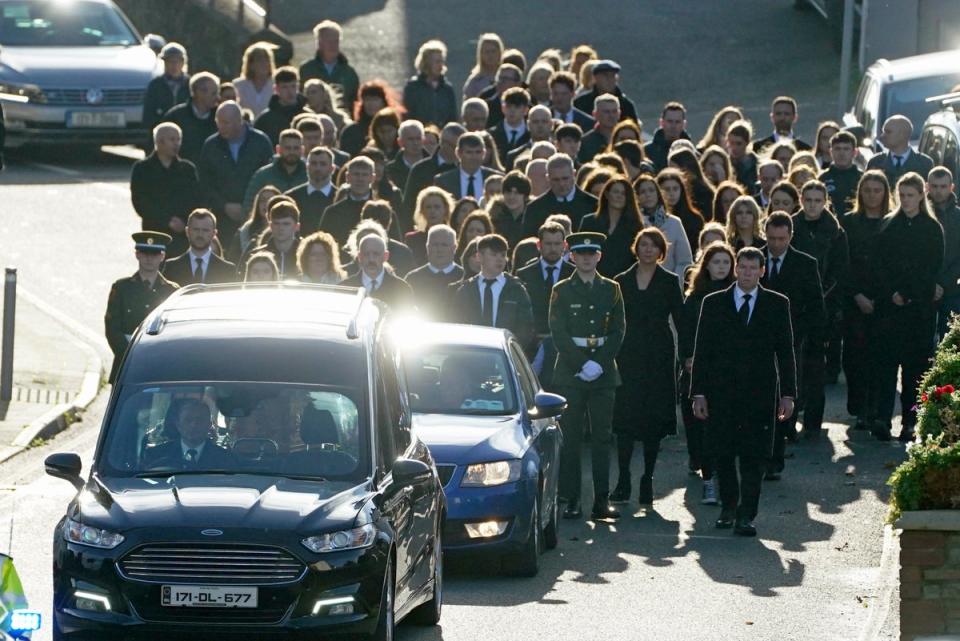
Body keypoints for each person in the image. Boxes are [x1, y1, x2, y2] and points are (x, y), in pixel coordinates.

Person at [691, 247, 796, 537]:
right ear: (736, 269)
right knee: (723, 452)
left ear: (762, 271)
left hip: (760, 392)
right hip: (720, 391)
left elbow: (785, 352)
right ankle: (728, 506)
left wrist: (788, 394)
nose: (747, 273)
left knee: (754, 455)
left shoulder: (777, 303)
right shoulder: (714, 303)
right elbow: (702, 351)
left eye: (753, 268)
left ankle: (746, 514)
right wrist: (697, 393)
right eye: (743, 267)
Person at [550, 231, 626, 520]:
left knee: (602, 438)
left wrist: (600, 363)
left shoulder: (612, 288)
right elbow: (558, 331)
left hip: (604, 372)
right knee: (570, 438)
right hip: (571, 371)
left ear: (599, 256)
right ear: (572, 256)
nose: (585, 258)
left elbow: (619, 330)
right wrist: (582, 363)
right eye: (580, 254)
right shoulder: (561, 289)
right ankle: (571, 498)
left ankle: (601, 500)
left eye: (590, 254)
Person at [610, 228, 683, 506]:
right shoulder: (621, 280)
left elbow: (680, 318)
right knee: (625, 419)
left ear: (661, 249)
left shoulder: (669, 280)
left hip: (659, 355)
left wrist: (686, 355)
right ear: (636, 248)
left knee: (653, 421)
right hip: (627, 354)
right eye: (643, 244)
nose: (648, 249)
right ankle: (624, 478)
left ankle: (648, 478)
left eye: (654, 245)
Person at [873, 172, 945, 442]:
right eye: (901, 195)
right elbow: (880, 266)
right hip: (891, 309)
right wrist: (891, 293)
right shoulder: (888, 226)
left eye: (910, 195)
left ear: (921, 195)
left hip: (918, 309)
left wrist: (911, 294)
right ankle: (882, 417)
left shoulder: (931, 228)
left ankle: (911, 420)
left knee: (915, 370)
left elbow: (931, 267)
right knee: (886, 366)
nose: (905, 200)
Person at [760, 212, 826, 476]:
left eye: (782, 239)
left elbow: (815, 305)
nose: (776, 244)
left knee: (785, 391)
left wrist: (809, 337)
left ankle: (780, 446)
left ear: (790, 236)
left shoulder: (805, 263)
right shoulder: (753, 259)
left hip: (792, 338)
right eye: (772, 238)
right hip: (757, 340)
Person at [679, 241, 735, 503]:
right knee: (699, 430)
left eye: (726, 262)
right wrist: (688, 358)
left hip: (730, 373)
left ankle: (723, 482)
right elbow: (686, 332)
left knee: (724, 429)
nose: (721, 267)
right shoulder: (695, 297)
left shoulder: (738, 293)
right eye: (716, 262)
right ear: (706, 265)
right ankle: (707, 478)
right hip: (699, 372)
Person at [840, 170, 891, 429]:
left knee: (879, 355)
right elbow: (843, 262)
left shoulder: (892, 222)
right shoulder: (849, 222)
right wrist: (856, 294)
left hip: (884, 299)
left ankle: (874, 408)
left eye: (877, 190)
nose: (872, 195)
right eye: (868, 190)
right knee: (854, 355)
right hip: (855, 298)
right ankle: (858, 405)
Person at [793, 179, 850, 392]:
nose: (812, 205)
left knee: (816, 362)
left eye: (818, 200)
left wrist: (822, 292)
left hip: (825, 301)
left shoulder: (836, 232)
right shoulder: (791, 228)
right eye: (808, 200)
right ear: (801, 200)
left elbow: (839, 269)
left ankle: (813, 418)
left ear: (825, 202)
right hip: (794, 300)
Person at [104, 232, 180, 382]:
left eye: (154, 254)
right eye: (144, 253)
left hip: (159, 366)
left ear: (162, 256)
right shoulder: (121, 288)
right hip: (126, 366)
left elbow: (175, 331)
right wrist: (129, 355)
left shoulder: (172, 291)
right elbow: (112, 328)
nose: (149, 258)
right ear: (137, 254)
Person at [197, 101, 274, 245]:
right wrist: (224, 205)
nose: (221, 127)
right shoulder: (211, 145)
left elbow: (268, 179)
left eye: (226, 122)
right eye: (218, 122)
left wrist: (248, 206)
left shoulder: (260, 142)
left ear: (240, 121)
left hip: (256, 217)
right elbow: (205, 183)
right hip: (222, 218)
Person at [450, 233, 535, 349]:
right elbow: (456, 323)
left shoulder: (516, 289)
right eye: (494, 254)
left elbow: (526, 327)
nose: (499, 259)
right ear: (479, 256)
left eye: (503, 255)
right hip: (471, 353)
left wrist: (511, 349)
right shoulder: (467, 290)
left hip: (504, 355)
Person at [130, 123, 201, 256]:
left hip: (181, 234)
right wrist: (166, 220)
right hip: (154, 231)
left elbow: (195, 198)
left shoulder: (187, 169)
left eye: (178, 139)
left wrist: (184, 222)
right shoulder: (142, 169)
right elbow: (140, 201)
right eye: (172, 140)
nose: (176, 144)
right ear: (159, 141)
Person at [516, 221, 573, 384]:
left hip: (564, 348)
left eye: (557, 244)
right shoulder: (523, 274)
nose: (553, 248)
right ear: (539, 245)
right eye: (548, 244)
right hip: (531, 346)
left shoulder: (574, 273)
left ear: (565, 245)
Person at [578, 175, 644, 277]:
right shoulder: (589, 221)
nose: (619, 196)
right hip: (593, 280)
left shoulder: (635, 225)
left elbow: (637, 258)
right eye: (616, 192)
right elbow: (580, 252)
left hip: (624, 282)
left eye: (623, 193)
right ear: (607, 194)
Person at [142, 399, 234, 469]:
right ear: (178, 425)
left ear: (209, 425)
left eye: (200, 420)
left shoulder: (226, 459)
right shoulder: (156, 455)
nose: (194, 425)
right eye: (188, 420)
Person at [402, 122, 462, 226]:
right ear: (443, 144)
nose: (459, 152)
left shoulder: (464, 170)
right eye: (455, 147)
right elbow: (408, 207)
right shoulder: (420, 169)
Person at [523, 153, 598, 236]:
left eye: (565, 178)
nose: (561, 184)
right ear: (548, 178)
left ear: (574, 174)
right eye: (556, 180)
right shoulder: (535, 209)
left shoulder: (594, 205)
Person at [634, 174, 693, 275]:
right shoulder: (634, 222)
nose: (648, 195)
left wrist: (674, 281)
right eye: (642, 192)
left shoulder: (674, 223)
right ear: (636, 196)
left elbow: (685, 261)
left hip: (669, 284)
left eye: (651, 190)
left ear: (658, 193)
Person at [341, 231, 415, 310]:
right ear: (359, 257)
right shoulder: (345, 288)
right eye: (366, 254)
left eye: (376, 254)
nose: (371, 259)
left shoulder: (402, 289)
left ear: (386, 256)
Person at [162, 209, 237, 285]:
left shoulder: (227, 269)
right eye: (196, 229)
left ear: (214, 233)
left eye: (205, 230)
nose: (200, 234)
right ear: (187, 231)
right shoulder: (172, 267)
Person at [299, 20, 360, 111]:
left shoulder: (349, 73)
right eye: (329, 41)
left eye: (336, 41)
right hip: (314, 121)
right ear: (319, 43)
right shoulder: (306, 70)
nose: (333, 45)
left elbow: (355, 103)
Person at [928, 166, 960, 339]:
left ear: (951, 187)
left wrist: (943, 283)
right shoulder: (919, 215)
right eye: (934, 186)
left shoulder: (958, 217)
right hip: (923, 288)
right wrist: (931, 283)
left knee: (950, 342)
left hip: (953, 289)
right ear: (927, 187)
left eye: (943, 186)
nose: (938, 191)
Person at [405, 224, 463, 318]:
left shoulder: (464, 277)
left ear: (454, 248)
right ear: (427, 247)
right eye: (435, 244)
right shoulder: (412, 279)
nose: (439, 249)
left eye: (444, 245)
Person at [242, 128, 307, 212]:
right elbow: (249, 205)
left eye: (296, 148)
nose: (292, 152)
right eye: (288, 148)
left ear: (302, 150)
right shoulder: (262, 176)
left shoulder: (309, 176)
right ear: (278, 150)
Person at [161, 71, 219, 164]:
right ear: (198, 92)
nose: (217, 97)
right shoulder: (176, 116)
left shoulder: (220, 117)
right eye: (213, 93)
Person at [319, 156, 379, 246]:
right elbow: (324, 245)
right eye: (356, 174)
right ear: (348, 177)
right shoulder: (332, 212)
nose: (360, 179)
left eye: (365, 175)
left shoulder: (381, 211)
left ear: (372, 178)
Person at [143, 42, 189, 148]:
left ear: (183, 63)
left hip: (185, 134)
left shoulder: (190, 84)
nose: (174, 65)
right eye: (170, 62)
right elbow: (148, 115)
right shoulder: (155, 85)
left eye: (177, 61)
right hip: (162, 134)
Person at [866, 115, 934, 187]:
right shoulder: (876, 162)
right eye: (883, 132)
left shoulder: (925, 163)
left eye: (888, 132)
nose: (882, 136)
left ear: (903, 134)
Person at [403, 39, 457, 127]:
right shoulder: (413, 87)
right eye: (436, 62)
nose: (440, 65)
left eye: (441, 61)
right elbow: (407, 116)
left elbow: (452, 118)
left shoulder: (447, 89)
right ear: (426, 63)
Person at [242, 200, 302, 278]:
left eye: (286, 224)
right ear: (270, 226)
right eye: (276, 223)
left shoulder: (307, 255)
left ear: (297, 227)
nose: (281, 228)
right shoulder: (255, 255)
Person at [434, 132, 502, 200]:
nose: (474, 157)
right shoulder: (444, 181)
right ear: (458, 153)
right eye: (469, 152)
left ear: (484, 153)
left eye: (478, 152)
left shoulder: (498, 179)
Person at [286, 146, 337, 237]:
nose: (318, 168)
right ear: (307, 167)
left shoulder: (340, 197)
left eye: (323, 164)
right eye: (314, 163)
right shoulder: (291, 197)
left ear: (332, 169)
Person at [254, 66, 308, 146]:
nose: (290, 92)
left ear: (298, 87)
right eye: (284, 87)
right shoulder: (265, 120)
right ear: (276, 89)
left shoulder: (308, 116)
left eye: (293, 86)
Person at [572, 59, 638, 123]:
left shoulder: (626, 105)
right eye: (605, 75)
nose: (609, 79)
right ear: (595, 78)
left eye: (612, 76)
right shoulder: (581, 103)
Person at [657, 167, 705, 254]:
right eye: (667, 189)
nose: (671, 193)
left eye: (675, 189)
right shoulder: (653, 218)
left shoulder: (695, 219)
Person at [406, 186, 455, 267]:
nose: (432, 211)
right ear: (422, 211)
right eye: (428, 207)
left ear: (446, 209)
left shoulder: (453, 237)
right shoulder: (412, 239)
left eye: (437, 207)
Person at [819, 131, 862, 217]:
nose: (842, 153)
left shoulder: (863, 178)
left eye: (846, 149)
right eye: (837, 149)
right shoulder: (822, 178)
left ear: (855, 152)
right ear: (831, 152)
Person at [487, 170, 532, 249]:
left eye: (517, 193)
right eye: (508, 192)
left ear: (525, 196)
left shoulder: (534, 217)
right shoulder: (493, 218)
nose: (511, 197)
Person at [487, 87, 531, 167]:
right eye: (509, 106)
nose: (512, 110)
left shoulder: (530, 135)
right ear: (503, 108)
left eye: (517, 107)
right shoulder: (491, 135)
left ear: (525, 110)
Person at [233, 42, 276, 118]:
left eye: (267, 60)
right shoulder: (238, 86)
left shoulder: (276, 85)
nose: (264, 64)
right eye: (259, 61)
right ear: (250, 65)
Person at [644, 102, 691, 172]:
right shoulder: (647, 151)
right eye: (670, 121)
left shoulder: (691, 152)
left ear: (684, 124)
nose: (673, 126)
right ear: (661, 123)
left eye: (677, 122)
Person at [385, 119, 427, 197]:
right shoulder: (389, 170)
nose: (415, 143)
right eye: (410, 139)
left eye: (418, 138)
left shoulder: (433, 167)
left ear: (423, 140)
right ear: (400, 142)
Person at [579, 94, 621, 164]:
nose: (611, 116)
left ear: (619, 114)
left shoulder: (627, 138)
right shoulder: (585, 143)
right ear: (595, 114)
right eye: (606, 112)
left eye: (614, 111)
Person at [463, 33, 503, 100]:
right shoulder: (475, 81)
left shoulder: (508, 76)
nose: (490, 55)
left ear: (499, 52)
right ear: (481, 54)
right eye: (487, 52)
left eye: (493, 51)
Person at [726, 119, 758, 191]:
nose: (734, 148)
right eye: (731, 143)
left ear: (747, 143)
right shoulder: (725, 163)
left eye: (739, 144)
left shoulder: (757, 164)